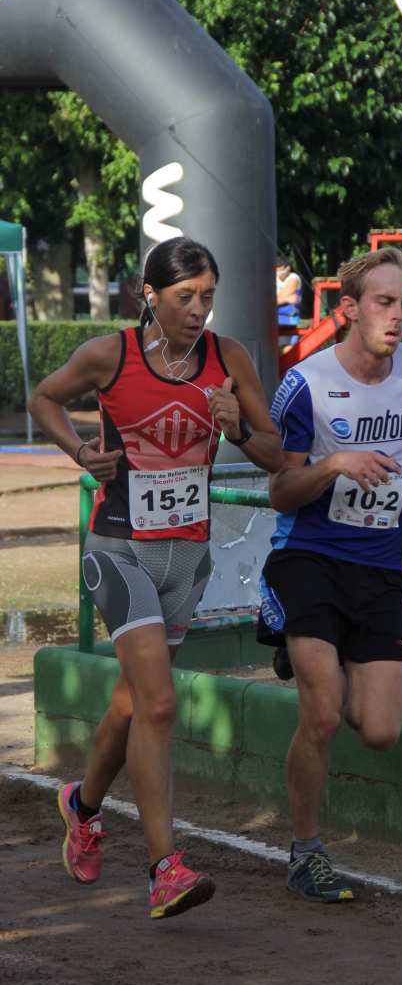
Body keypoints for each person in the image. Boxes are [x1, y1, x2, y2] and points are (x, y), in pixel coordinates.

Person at [28, 237, 284, 919]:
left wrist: (238, 429)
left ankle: (82, 806)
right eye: (184, 297)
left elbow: (278, 455)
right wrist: (80, 451)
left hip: (187, 559)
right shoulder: (110, 355)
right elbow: (44, 397)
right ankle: (164, 869)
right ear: (151, 295)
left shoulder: (229, 360)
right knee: (161, 704)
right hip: (119, 550)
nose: (198, 310)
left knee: (131, 703)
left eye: (207, 297)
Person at [264, 246, 402, 903]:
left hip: (382, 565)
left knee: (380, 730)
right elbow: (280, 490)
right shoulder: (305, 383)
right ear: (349, 309)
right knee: (321, 715)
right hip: (309, 557)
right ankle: (306, 851)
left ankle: (317, 653)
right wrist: (335, 463)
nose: (398, 316)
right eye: (384, 302)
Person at [276, 255, 303, 351]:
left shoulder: (293, 278)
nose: (278, 272)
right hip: (274, 319)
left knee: (288, 350)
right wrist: (287, 299)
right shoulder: (273, 278)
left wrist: (279, 298)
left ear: (288, 268)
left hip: (288, 319)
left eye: (280, 268)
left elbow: (273, 300)